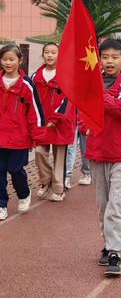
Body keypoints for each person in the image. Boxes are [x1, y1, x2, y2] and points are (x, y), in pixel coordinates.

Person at [84, 39, 121, 277]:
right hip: (97, 150)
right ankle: (107, 244)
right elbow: (81, 108)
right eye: (105, 57)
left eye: (115, 57)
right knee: (103, 204)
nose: (109, 61)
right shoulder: (89, 83)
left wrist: (100, 94)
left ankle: (115, 251)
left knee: (116, 203)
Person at [0, 44, 45, 221]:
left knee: (16, 169)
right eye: (4, 59)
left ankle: (24, 194)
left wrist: (37, 136)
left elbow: (36, 112)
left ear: (20, 60)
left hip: (19, 138)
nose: (7, 62)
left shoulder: (27, 84)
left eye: (11, 59)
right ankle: (1, 204)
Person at [33, 42, 76, 201]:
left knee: (60, 157)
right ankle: (45, 182)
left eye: (53, 52)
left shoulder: (67, 75)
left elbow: (68, 100)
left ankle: (58, 189)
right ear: (43, 54)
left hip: (61, 123)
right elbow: (32, 101)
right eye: (47, 52)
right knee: (39, 152)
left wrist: (56, 118)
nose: (50, 55)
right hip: (42, 123)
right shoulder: (35, 76)